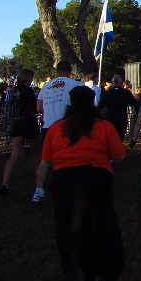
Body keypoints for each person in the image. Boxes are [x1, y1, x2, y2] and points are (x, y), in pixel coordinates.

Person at [38, 86, 126, 281]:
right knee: (93, 231)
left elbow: (46, 160)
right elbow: (119, 155)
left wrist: (38, 188)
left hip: (63, 182)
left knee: (68, 231)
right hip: (95, 180)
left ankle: (80, 277)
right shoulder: (104, 127)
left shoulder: (56, 128)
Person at [34, 61, 84, 203]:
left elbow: (38, 108)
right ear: (70, 70)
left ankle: (38, 191)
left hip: (48, 126)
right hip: (68, 126)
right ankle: (70, 189)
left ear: (57, 71)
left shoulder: (46, 86)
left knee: (45, 160)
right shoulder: (75, 84)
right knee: (71, 158)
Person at [0, 69, 41, 196]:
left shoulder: (12, 90)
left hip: (17, 123)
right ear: (27, 78)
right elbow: (34, 108)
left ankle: (5, 184)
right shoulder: (29, 91)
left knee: (14, 155)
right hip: (29, 122)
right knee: (36, 153)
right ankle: (38, 182)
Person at [98, 75, 140, 141]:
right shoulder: (126, 93)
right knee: (120, 137)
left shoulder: (107, 94)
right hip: (122, 118)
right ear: (121, 83)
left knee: (111, 137)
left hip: (110, 119)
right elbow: (136, 104)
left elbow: (99, 107)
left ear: (112, 83)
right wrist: (138, 114)